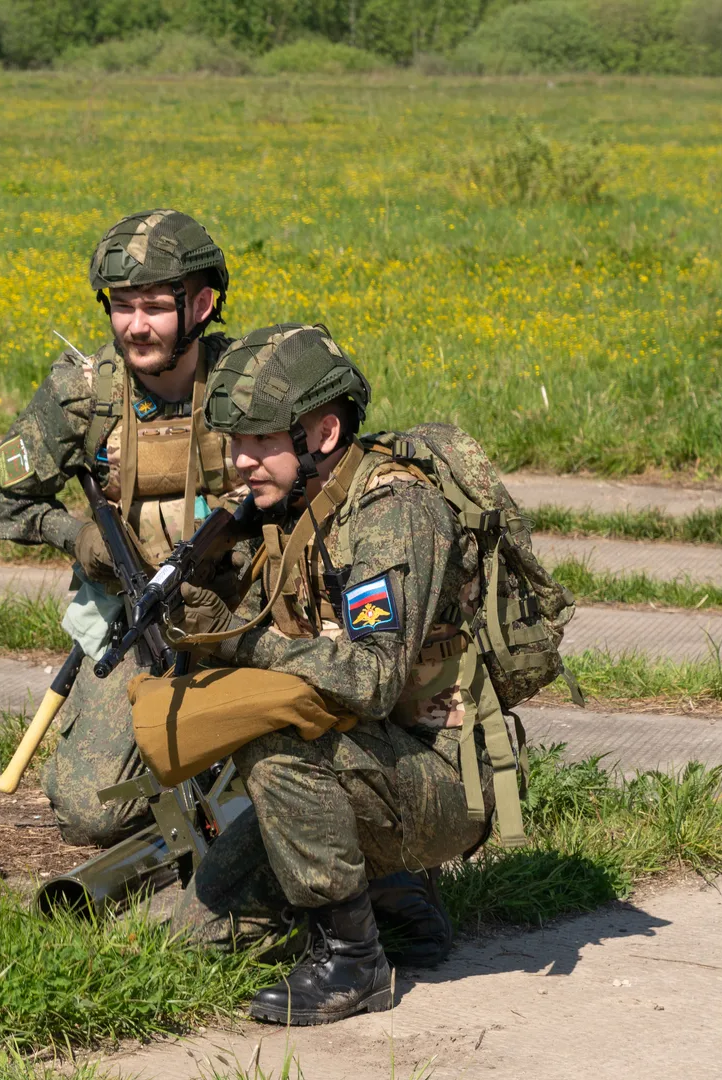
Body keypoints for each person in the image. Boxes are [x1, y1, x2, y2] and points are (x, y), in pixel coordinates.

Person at [149, 323, 496, 1024]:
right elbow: (254, 625)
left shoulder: (396, 513)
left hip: (440, 780)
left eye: (258, 441)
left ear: (325, 434)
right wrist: (196, 601)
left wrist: (238, 647)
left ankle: (353, 960)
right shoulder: (294, 508)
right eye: (233, 443)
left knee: (274, 744)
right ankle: (392, 890)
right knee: (192, 940)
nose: (240, 463)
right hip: (365, 762)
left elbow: (368, 677)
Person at [0, 209, 246, 846]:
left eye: (154, 305)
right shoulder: (85, 393)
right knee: (89, 810)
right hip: (138, 619)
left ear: (202, 305)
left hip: (246, 608)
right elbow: (2, 495)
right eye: (120, 305)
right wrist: (79, 539)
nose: (134, 324)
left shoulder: (251, 382)